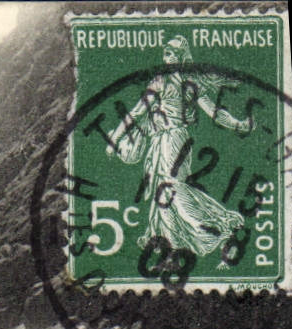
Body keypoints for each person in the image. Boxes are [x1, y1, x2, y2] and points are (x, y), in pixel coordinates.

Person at [107, 35, 256, 264]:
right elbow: (215, 113)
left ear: (179, 57)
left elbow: (137, 112)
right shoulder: (191, 82)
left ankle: (216, 228)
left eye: (170, 53)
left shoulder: (162, 81)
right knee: (166, 192)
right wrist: (238, 125)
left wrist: (115, 137)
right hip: (177, 140)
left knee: (171, 189)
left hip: (169, 140)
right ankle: (174, 244)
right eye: (166, 53)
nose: (166, 57)